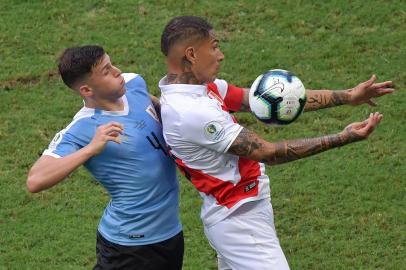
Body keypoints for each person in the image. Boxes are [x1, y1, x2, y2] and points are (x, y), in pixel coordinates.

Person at [158, 16, 394, 270]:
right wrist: (343, 137)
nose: (221, 55)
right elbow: (269, 152)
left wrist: (348, 96)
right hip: (239, 221)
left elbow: (263, 100)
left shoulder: (201, 87)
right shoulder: (192, 111)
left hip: (242, 208)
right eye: (214, 46)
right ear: (192, 54)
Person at [26, 45, 184, 270]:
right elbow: (35, 180)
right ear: (87, 90)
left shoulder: (133, 84)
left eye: (112, 64)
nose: (118, 71)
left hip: (170, 233)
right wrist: (90, 148)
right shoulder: (82, 129)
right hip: (130, 246)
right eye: (106, 71)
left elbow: (159, 109)